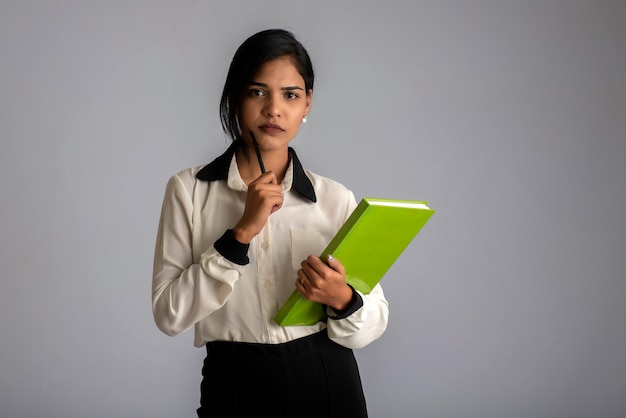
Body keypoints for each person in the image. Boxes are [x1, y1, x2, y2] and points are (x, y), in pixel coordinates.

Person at [152, 29, 389, 418]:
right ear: (234, 97)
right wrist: (240, 233)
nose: (274, 109)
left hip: (327, 383)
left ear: (307, 103)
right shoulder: (188, 191)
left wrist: (341, 299)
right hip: (234, 383)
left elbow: (375, 320)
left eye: (290, 95)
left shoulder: (334, 198)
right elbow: (169, 314)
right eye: (257, 92)